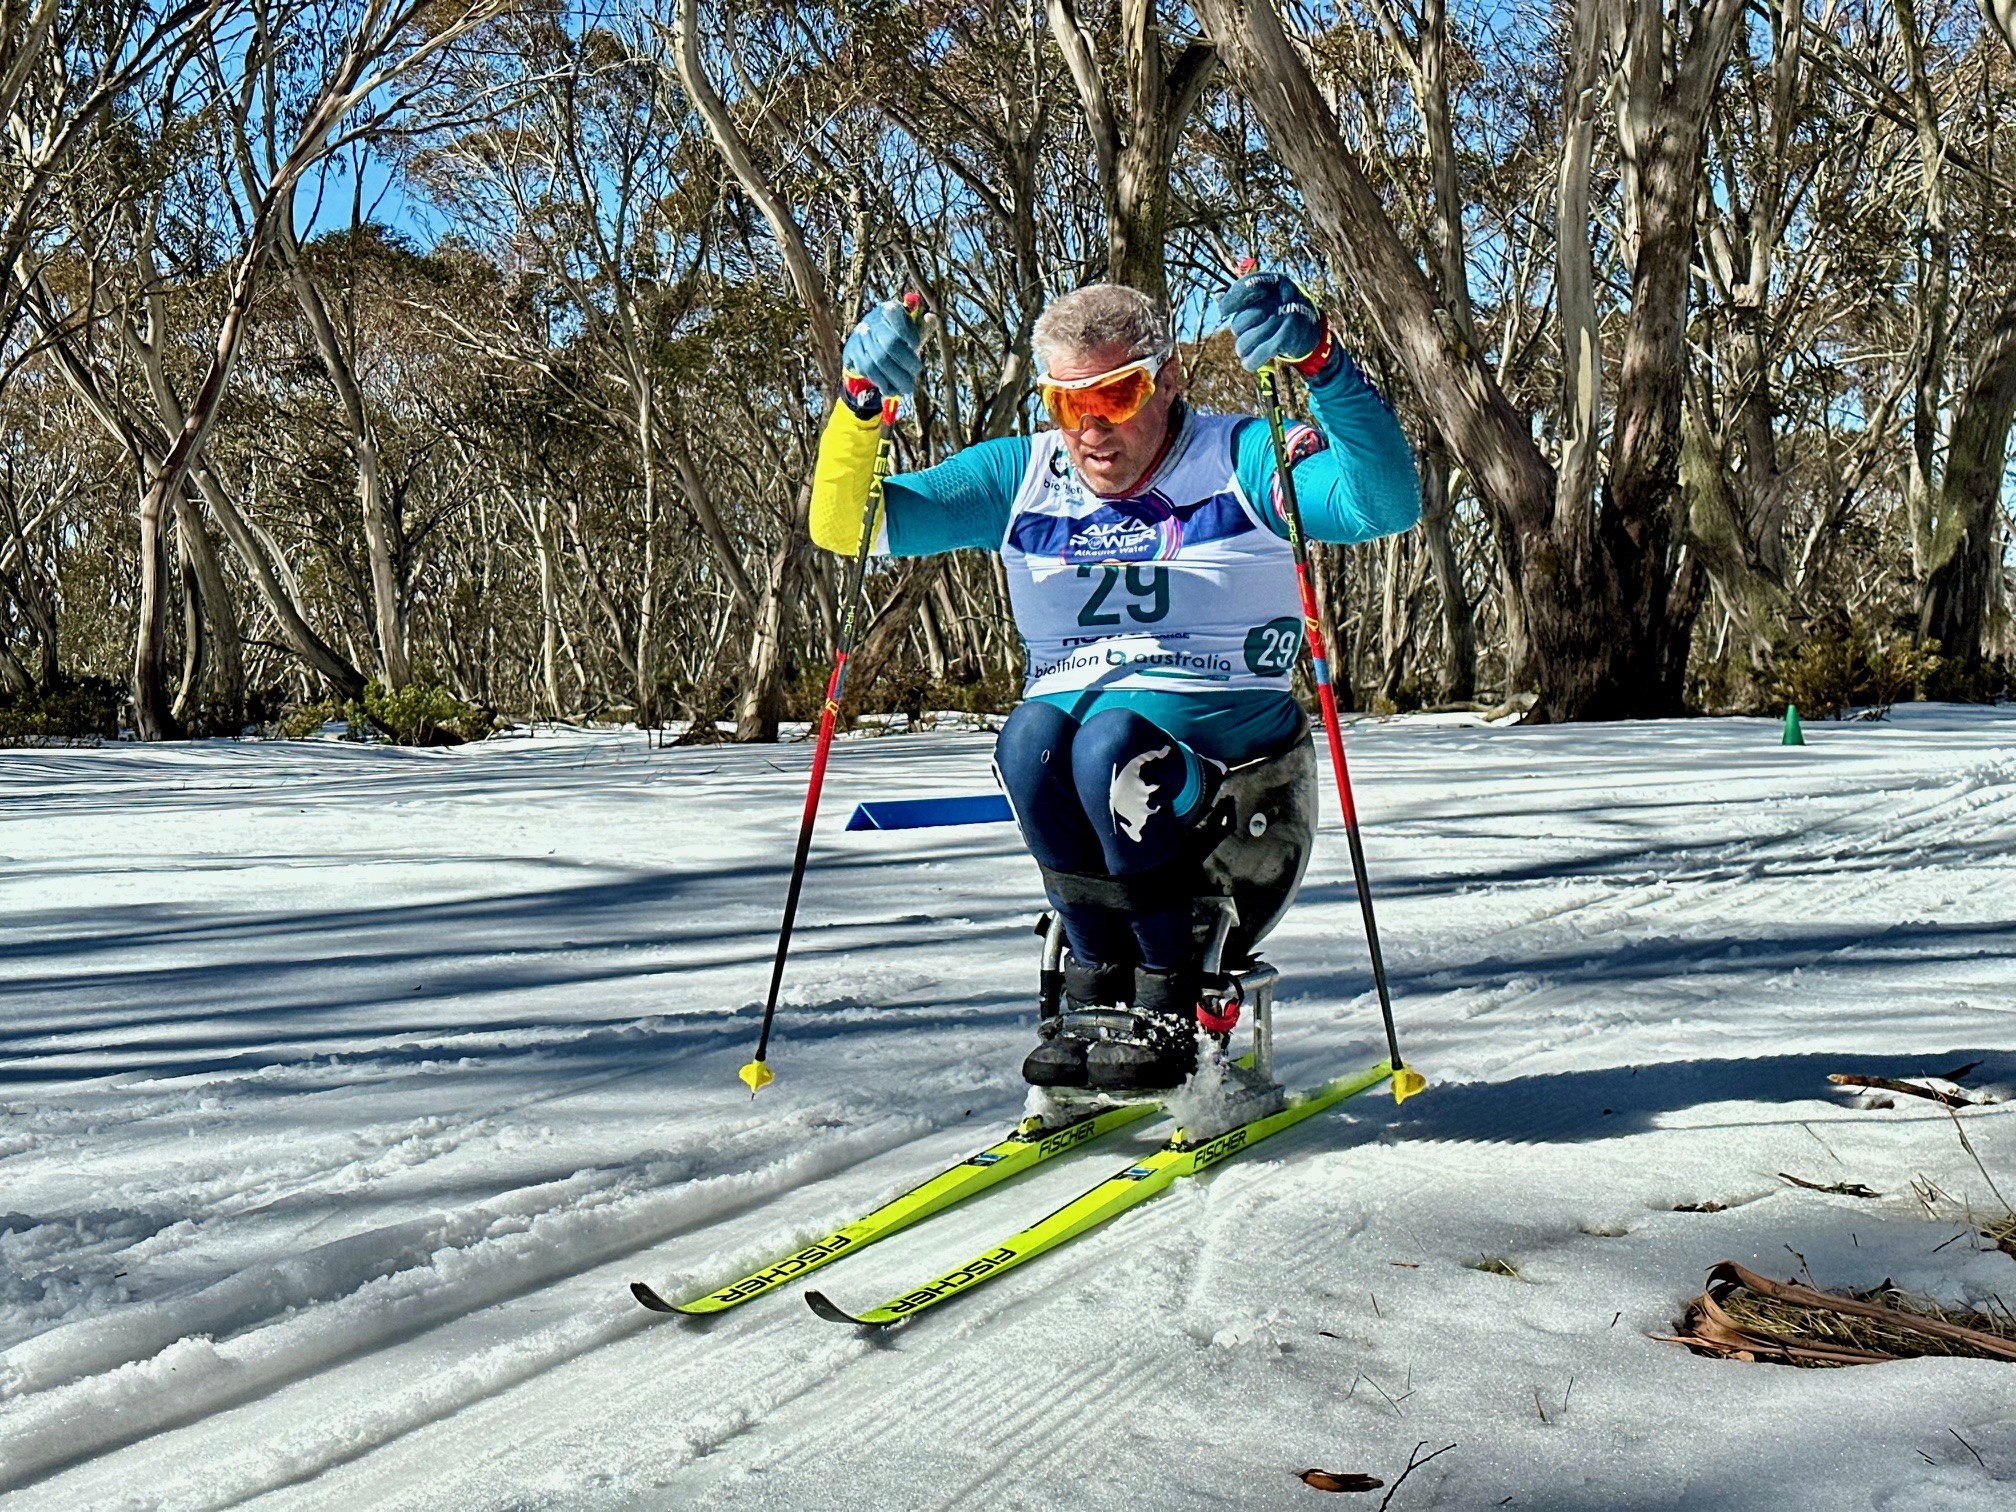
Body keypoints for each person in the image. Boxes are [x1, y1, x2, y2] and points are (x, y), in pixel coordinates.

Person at [809, 271, 1418, 1093]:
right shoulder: (1021, 476)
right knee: (1028, 741)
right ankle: (1095, 971)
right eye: (1067, 406)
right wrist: (858, 410)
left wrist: (1322, 364)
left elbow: (1381, 504)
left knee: (1111, 740)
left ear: (1169, 380)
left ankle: (1172, 987)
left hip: (1240, 789)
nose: (1091, 432)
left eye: (1117, 396)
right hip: (1093, 758)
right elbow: (848, 526)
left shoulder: (1240, 458)